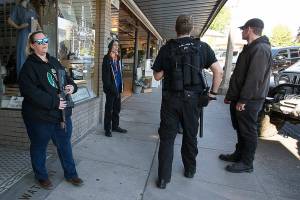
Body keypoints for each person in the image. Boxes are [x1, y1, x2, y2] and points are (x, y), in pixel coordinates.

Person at [152, 14, 223, 189]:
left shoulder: (167, 49)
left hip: (170, 101)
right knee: (190, 136)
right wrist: (212, 94)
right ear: (191, 29)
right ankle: (190, 170)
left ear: (176, 29)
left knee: (167, 138)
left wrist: (170, 69)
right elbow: (218, 72)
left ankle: (163, 179)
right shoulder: (202, 47)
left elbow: (157, 75)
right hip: (193, 101)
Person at [19, 31, 83, 189]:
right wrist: (55, 102)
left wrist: (72, 87)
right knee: (39, 147)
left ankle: (71, 174)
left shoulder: (54, 61)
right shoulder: (28, 67)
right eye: (39, 42)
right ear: (32, 45)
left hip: (61, 116)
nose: (44, 43)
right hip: (40, 118)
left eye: (45, 40)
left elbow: (66, 77)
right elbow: (30, 93)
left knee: (64, 145)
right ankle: (41, 176)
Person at [220, 18, 272, 173]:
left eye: (243, 29)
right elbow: (240, 75)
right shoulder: (251, 48)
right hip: (241, 98)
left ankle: (247, 162)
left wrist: (243, 99)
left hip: (250, 100)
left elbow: (254, 78)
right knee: (240, 129)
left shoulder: (261, 49)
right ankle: (238, 155)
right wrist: (232, 95)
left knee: (248, 130)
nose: (242, 32)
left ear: (249, 29)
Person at [102, 40, 127, 137]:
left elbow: (119, 73)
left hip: (118, 88)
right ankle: (107, 129)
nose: (117, 47)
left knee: (117, 109)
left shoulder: (118, 59)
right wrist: (111, 88)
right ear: (110, 46)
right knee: (109, 110)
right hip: (111, 89)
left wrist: (121, 87)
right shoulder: (106, 59)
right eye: (115, 45)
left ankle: (115, 126)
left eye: (117, 45)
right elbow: (105, 77)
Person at [8, 0, 40, 75]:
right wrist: (18, 27)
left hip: (32, 35)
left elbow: (36, 21)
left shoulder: (31, 7)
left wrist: (40, 31)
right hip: (23, 35)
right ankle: (22, 78)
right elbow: (9, 20)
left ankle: (32, 78)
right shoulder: (17, 8)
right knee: (22, 56)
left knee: (32, 56)